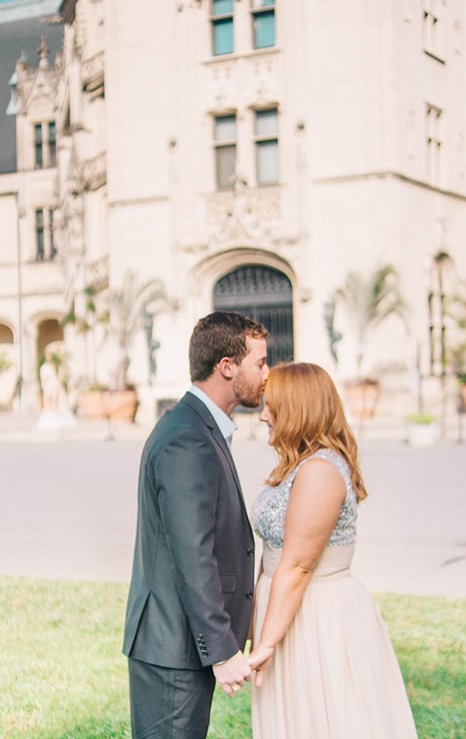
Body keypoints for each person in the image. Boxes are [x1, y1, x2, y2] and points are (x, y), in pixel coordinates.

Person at [249, 362, 418, 739]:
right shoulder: (298, 466)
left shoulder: (320, 471)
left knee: (326, 718)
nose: (263, 415)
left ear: (297, 408)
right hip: (288, 611)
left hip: (317, 617)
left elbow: (298, 567)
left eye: (271, 405)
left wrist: (266, 643)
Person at [122, 311, 269, 739]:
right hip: (173, 646)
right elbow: (192, 552)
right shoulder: (188, 436)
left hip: (178, 644)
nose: (266, 374)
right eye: (259, 362)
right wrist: (222, 651)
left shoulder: (197, 426)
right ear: (227, 366)